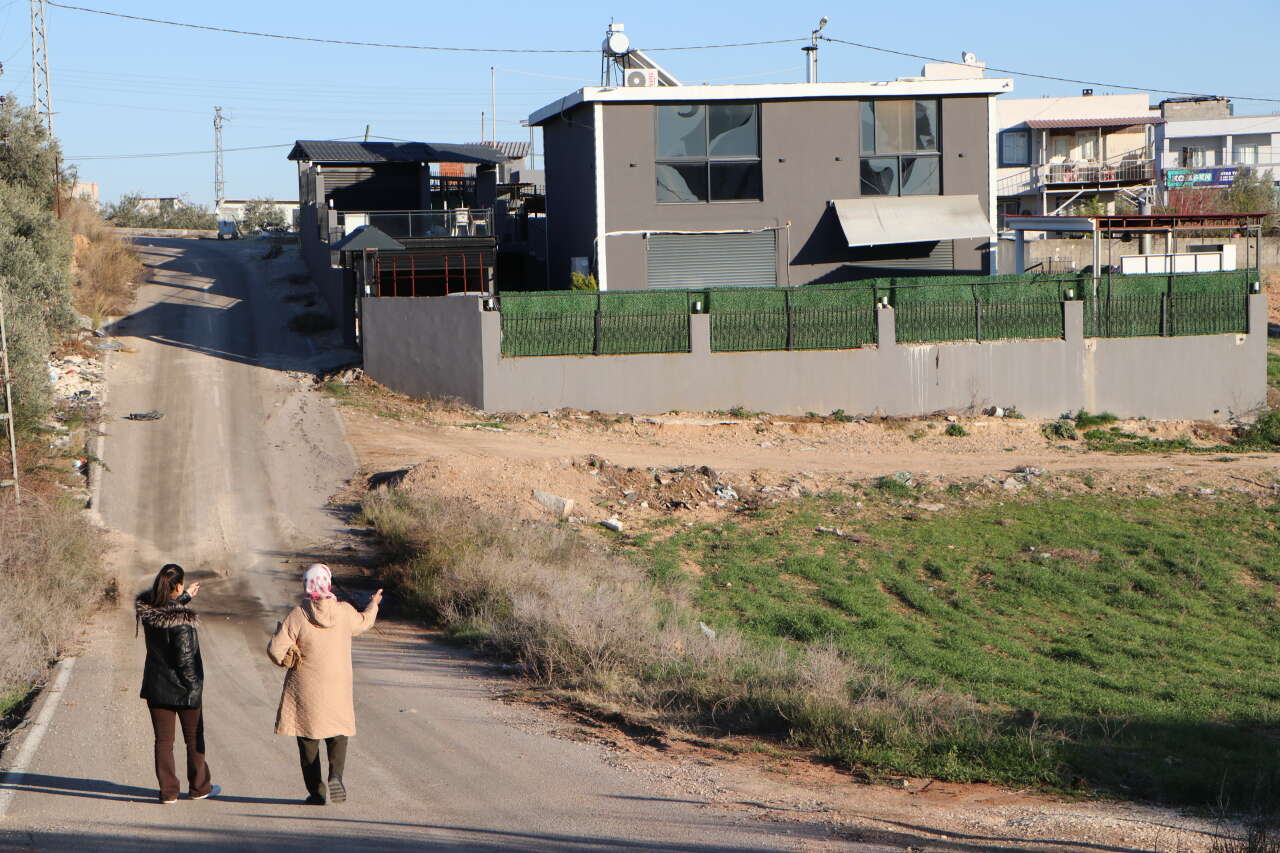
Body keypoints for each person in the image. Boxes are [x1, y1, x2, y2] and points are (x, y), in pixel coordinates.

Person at [268, 563, 381, 805]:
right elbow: (364, 622)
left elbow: (276, 651)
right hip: (338, 686)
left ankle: (316, 792)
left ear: (307, 585)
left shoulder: (298, 615)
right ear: (328, 583)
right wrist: (373, 604)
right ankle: (336, 775)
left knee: (308, 740)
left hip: (306, 687)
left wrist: (288, 655)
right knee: (338, 733)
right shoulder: (344, 612)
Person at [135, 563, 219, 804]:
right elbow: (185, 659)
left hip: (156, 687)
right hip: (183, 689)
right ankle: (199, 787)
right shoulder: (182, 621)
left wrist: (184, 598)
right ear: (179, 585)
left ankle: (168, 792)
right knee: (193, 739)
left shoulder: (148, 611)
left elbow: (164, 611)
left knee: (163, 742)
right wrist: (194, 687)